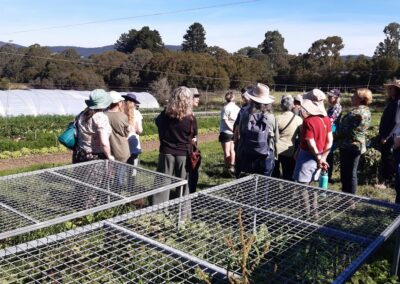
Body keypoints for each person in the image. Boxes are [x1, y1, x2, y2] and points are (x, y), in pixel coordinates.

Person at [152, 86, 196, 204]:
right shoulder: (190, 118)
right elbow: (194, 134)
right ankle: (184, 216)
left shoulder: (165, 115)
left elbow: (157, 123)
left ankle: (157, 212)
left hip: (166, 152)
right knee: (183, 184)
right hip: (184, 153)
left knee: (162, 183)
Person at [293, 89, 332, 217]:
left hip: (308, 157)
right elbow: (330, 140)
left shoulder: (308, 121)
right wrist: (323, 158)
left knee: (303, 186)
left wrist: (318, 158)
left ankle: (306, 214)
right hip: (320, 155)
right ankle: (314, 213)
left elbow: (310, 142)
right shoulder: (326, 119)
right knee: (313, 185)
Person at [337, 88, 372, 195]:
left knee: (347, 173)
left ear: (361, 98)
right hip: (358, 145)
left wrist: (332, 136)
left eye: (354, 95)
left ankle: (348, 197)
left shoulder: (355, 113)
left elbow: (344, 130)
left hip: (349, 145)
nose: (351, 97)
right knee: (352, 172)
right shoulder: (367, 111)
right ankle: (349, 197)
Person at [236, 83, 276, 176]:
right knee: (264, 183)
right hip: (265, 154)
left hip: (247, 152)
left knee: (248, 182)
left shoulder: (245, 114)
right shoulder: (270, 117)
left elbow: (241, 132)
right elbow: (275, 138)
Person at [73, 89, 114, 163]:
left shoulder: (82, 114)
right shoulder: (101, 117)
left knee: (80, 174)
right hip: (94, 157)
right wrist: (109, 156)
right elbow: (104, 143)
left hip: (79, 153)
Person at [378, 80, 400, 201]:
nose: (389, 90)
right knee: (387, 158)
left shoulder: (397, 103)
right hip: (389, 135)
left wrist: (386, 136)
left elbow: (395, 122)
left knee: (388, 158)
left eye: (391, 88)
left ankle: (387, 181)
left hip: (391, 137)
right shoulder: (393, 102)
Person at [273, 95, 303, 180]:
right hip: (290, 150)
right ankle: (287, 192)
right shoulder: (298, 120)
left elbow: (274, 136)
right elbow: (301, 137)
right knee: (288, 174)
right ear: (292, 105)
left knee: (275, 173)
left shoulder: (277, 118)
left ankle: (275, 190)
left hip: (276, 150)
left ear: (282, 106)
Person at [105, 91, 130, 163]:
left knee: (108, 173)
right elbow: (126, 133)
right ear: (119, 103)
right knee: (119, 172)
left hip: (108, 150)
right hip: (121, 150)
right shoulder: (123, 116)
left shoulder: (103, 115)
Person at [219, 91, 240, 174]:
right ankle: (232, 167)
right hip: (234, 132)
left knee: (226, 151)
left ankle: (226, 168)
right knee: (232, 150)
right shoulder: (238, 108)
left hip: (226, 132)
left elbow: (226, 120)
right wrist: (235, 130)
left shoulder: (225, 108)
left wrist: (231, 129)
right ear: (233, 98)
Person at [122, 93, 143, 168]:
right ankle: (131, 179)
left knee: (121, 167)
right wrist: (136, 131)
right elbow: (140, 130)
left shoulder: (120, 112)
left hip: (122, 142)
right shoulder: (137, 113)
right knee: (132, 167)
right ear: (134, 103)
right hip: (133, 142)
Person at [326, 89, 342, 183]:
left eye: (331, 96)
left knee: (329, 153)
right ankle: (326, 173)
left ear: (336, 97)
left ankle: (328, 175)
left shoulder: (337, 107)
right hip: (330, 131)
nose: (328, 97)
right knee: (328, 153)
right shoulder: (331, 107)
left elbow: (330, 120)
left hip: (332, 132)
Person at [188, 87, 200, 193]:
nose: (198, 99)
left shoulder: (192, 113)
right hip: (189, 149)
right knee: (191, 173)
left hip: (193, 148)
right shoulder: (188, 115)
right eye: (195, 97)